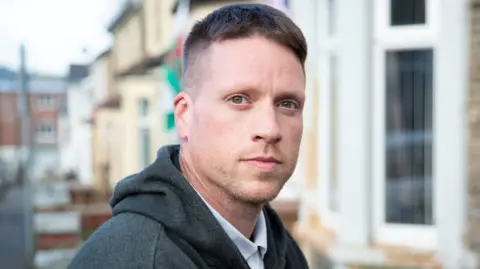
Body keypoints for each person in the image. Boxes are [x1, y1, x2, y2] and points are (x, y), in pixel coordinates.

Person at [68, 3, 309, 269]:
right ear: (184, 116)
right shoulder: (133, 260)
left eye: (288, 104)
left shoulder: (280, 249)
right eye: (239, 99)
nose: (270, 129)